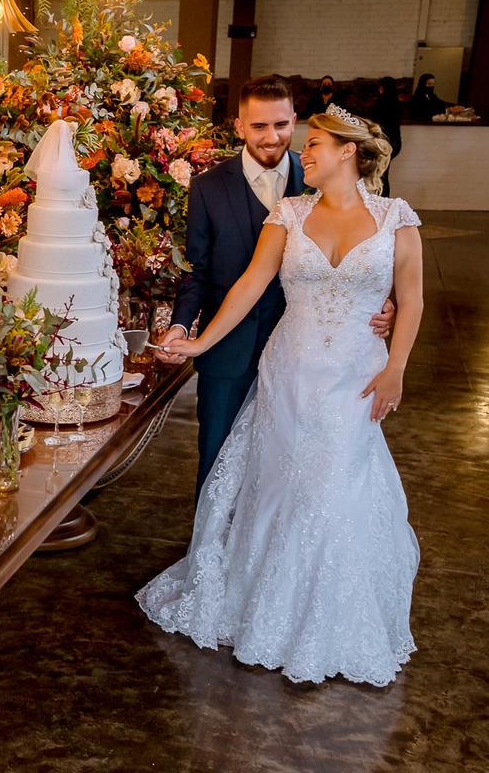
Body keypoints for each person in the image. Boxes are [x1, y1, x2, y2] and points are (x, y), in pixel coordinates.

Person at [137, 103, 425, 686]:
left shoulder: (397, 218)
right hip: (289, 369)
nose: (303, 152)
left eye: (314, 143)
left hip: (355, 376)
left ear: (347, 151)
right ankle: (265, 604)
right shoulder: (288, 213)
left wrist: (396, 368)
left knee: (334, 484)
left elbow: (413, 298)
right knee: (282, 483)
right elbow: (250, 283)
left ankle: (328, 620)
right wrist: (199, 343)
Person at [157, 76, 394, 500]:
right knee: (217, 462)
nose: (272, 137)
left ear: (295, 121)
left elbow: (368, 245)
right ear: (239, 127)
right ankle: (214, 541)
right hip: (227, 350)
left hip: (305, 355)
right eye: (259, 126)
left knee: (292, 466)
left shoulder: (323, 170)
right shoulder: (207, 187)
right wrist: (180, 326)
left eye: (281, 125)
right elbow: (196, 271)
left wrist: (376, 298)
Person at [371, 77, 403, 196]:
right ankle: (384, 199)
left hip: (383, 141)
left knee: (381, 174)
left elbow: (375, 121)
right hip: (395, 142)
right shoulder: (398, 104)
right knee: (384, 172)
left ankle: (382, 199)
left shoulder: (381, 102)